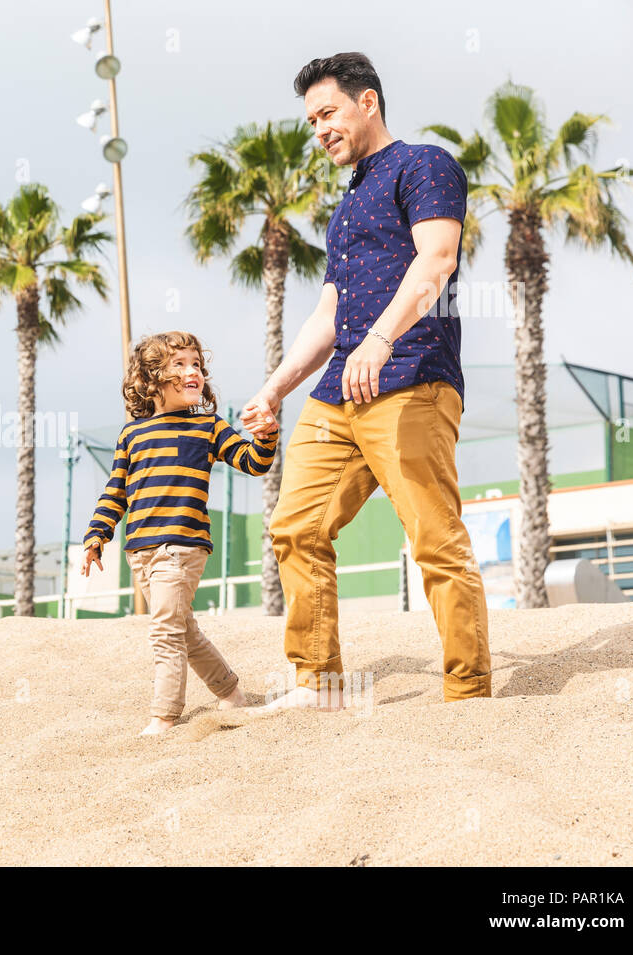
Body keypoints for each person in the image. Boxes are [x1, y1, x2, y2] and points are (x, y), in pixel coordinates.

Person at [241, 52, 492, 709]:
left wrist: (382, 338)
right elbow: (327, 313)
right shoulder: (345, 207)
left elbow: (437, 258)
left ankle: (468, 692)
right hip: (336, 390)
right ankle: (317, 684)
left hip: (411, 376)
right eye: (311, 121)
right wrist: (274, 389)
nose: (319, 129)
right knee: (295, 526)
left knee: (434, 539)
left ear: (368, 103)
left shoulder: (424, 165)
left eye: (327, 113)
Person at [81, 331, 279, 735]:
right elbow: (115, 491)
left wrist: (266, 436)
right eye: (180, 365)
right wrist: (96, 535)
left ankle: (163, 717)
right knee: (184, 630)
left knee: (165, 632)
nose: (194, 373)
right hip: (141, 552)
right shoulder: (131, 436)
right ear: (151, 380)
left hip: (182, 547)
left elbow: (253, 462)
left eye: (197, 365)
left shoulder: (208, 426)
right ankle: (232, 694)